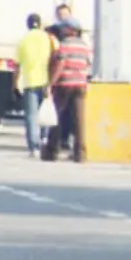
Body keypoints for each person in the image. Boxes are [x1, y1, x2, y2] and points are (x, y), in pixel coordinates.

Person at [42, 21, 92, 162]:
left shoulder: (64, 45)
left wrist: (51, 83)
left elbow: (60, 64)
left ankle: (51, 151)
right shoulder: (84, 46)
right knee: (79, 120)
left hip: (64, 84)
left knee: (56, 117)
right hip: (80, 85)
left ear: (69, 30)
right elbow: (88, 63)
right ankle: (80, 153)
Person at [13, 13, 55, 157]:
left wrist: (14, 85)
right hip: (46, 81)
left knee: (31, 116)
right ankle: (44, 139)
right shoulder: (48, 38)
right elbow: (54, 58)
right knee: (45, 114)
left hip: (29, 82)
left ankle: (34, 148)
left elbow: (17, 66)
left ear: (28, 24)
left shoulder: (23, 40)